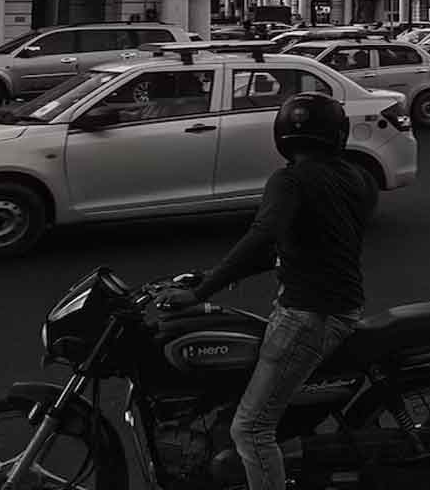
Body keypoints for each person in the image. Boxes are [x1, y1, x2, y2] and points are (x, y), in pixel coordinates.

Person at [156, 93, 377, 490]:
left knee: (251, 429)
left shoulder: (289, 180)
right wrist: (212, 277)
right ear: (338, 134)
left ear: (282, 135)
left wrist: (204, 290)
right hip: (337, 307)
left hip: (309, 315)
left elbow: (263, 236)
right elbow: (296, 245)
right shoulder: (354, 178)